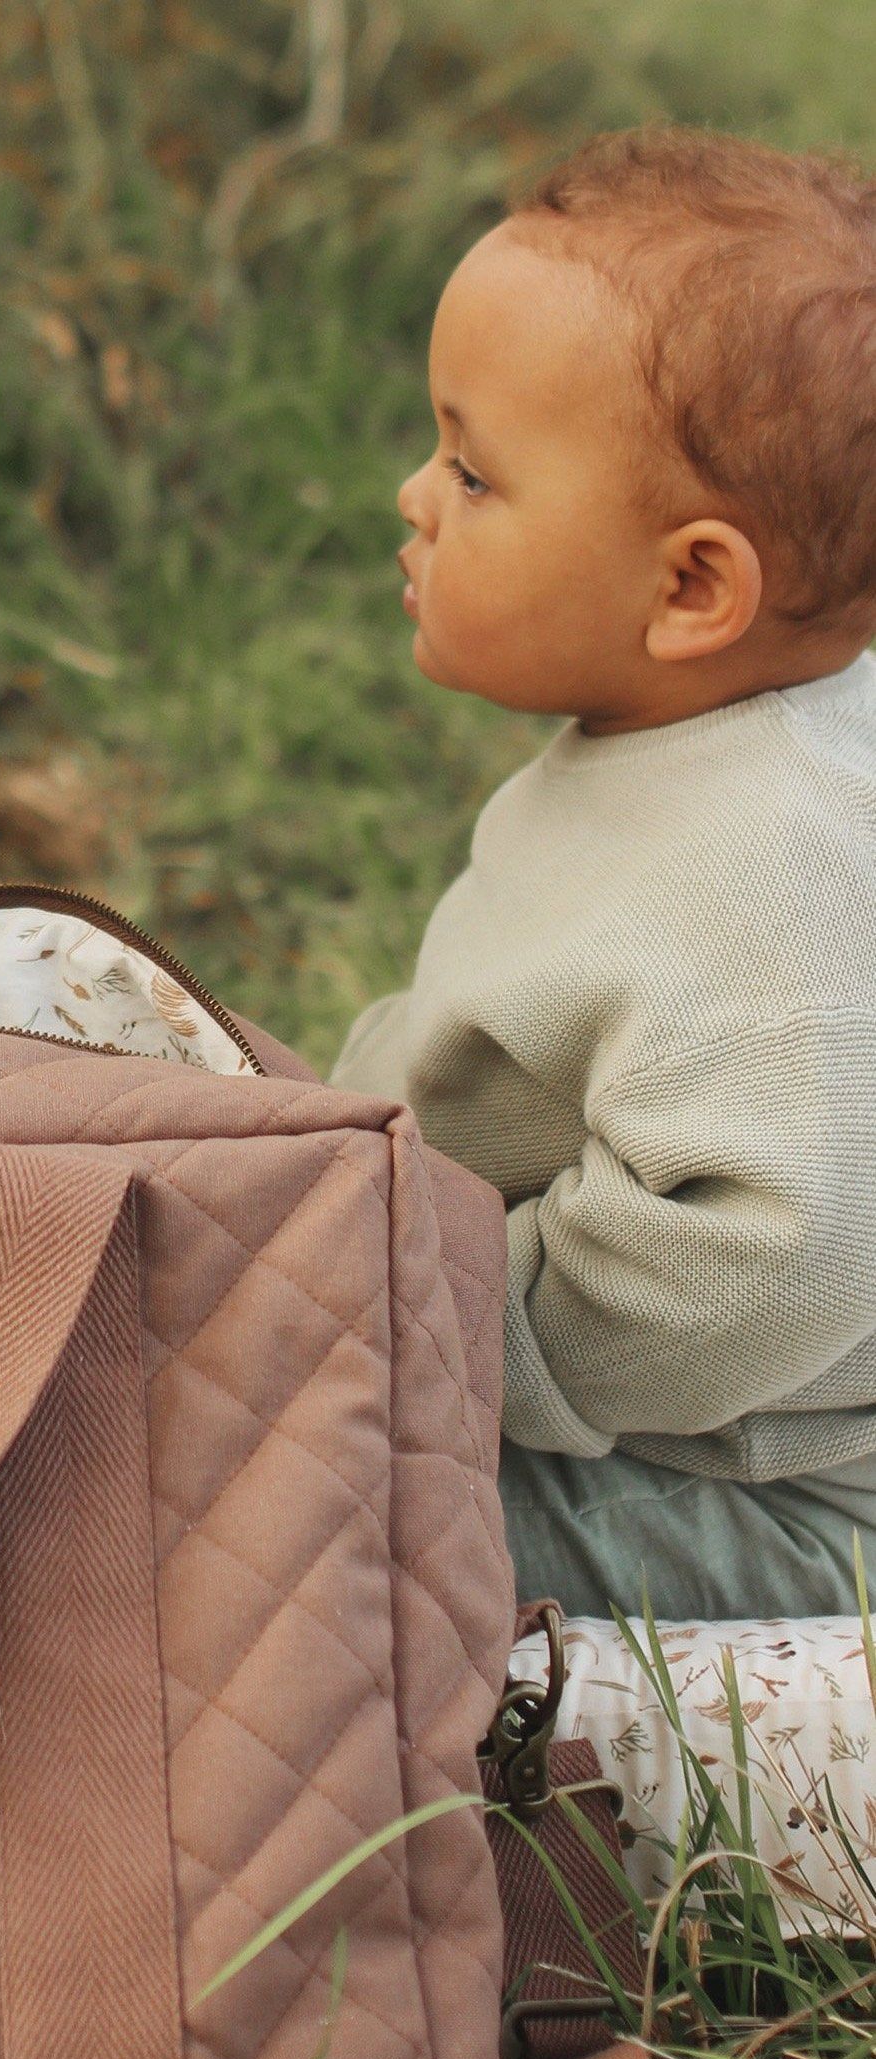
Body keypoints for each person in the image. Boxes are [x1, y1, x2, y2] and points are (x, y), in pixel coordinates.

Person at [334, 128, 876, 1620]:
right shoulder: (687, 741)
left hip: (761, 1500)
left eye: (470, 469)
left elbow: (781, 1252)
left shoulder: (773, 881)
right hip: (654, 1409)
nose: (411, 494)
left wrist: (452, 1327)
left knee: (308, 1525)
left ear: (690, 587)